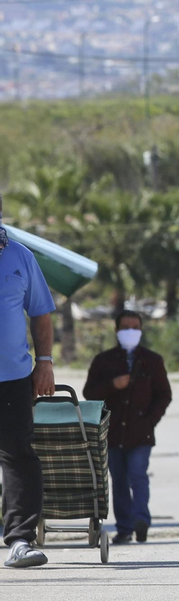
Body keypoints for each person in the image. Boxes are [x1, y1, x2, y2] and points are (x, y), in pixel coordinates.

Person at [85, 308, 172, 546]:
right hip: (112, 433)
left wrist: (150, 420)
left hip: (141, 433)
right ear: (116, 330)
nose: (130, 332)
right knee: (119, 480)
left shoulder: (152, 360)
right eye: (125, 328)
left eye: (135, 328)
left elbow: (164, 394)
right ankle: (124, 528)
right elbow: (89, 392)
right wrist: (112, 385)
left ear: (141, 330)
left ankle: (140, 520)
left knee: (137, 474)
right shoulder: (103, 360)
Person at [0, 207, 55, 570]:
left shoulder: (20, 256)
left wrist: (45, 361)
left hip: (13, 378)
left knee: (18, 455)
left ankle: (20, 540)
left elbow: (41, 312)